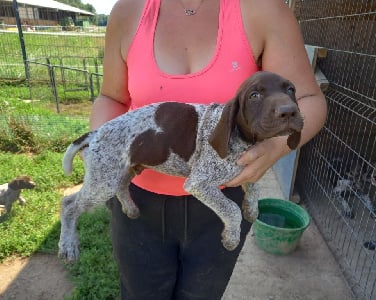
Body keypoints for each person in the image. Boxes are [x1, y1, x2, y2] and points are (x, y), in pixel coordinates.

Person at [89, 0, 327, 299]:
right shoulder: (129, 11)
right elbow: (111, 97)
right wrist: (98, 148)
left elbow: (308, 98)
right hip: (138, 199)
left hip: (222, 198)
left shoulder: (263, 10)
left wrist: (275, 148)